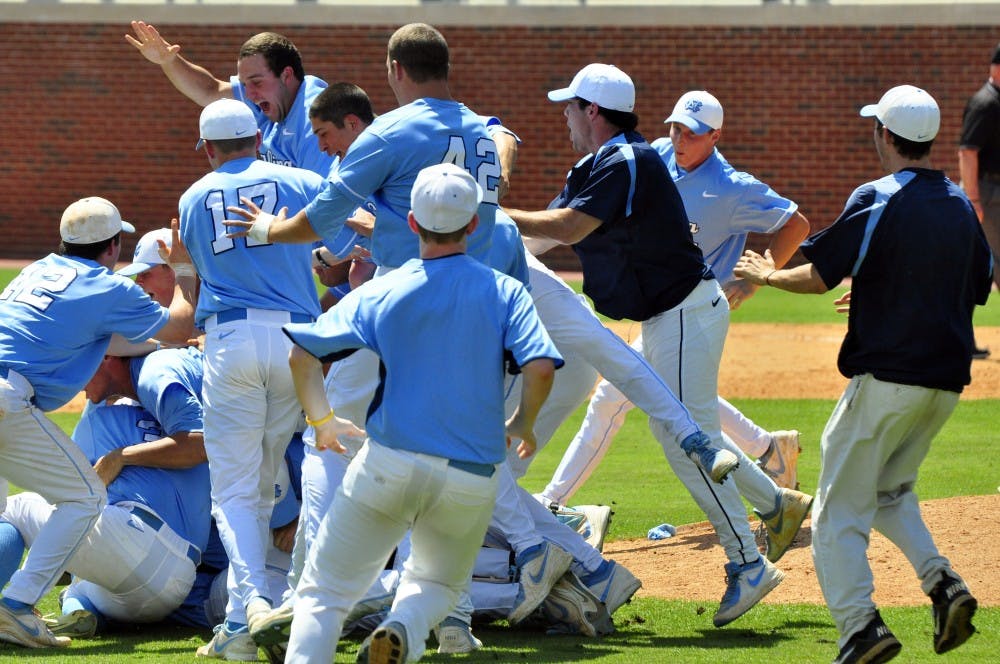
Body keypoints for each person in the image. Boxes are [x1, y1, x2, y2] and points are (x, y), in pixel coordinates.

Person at [505, 63, 795, 629]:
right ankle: (776, 506)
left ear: (593, 110)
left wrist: (484, 215)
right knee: (689, 434)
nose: (564, 115)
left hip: (685, 311)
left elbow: (567, 227)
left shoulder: (626, 159)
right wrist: (480, 233)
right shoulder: (602, 164)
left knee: (686, 441)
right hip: (673, 315)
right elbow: (543, 235)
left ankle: (748, 563)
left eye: (570, 106)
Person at [735, 84, 990, 663]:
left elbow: (821, 272)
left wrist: (769, 276)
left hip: (888, 379)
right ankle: (943, 585)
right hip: (944, 385)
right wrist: (886, 291)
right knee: (889, 492)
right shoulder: (956, 202)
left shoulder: (879, 194)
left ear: (885, 135)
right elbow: (975, 285)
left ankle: (859, 629)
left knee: (834, 515)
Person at [279, 163, 561, 663]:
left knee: (323, 594)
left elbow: (302, 355)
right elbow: (540, 367)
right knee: (437, 584)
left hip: (389, 462)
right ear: (475, 224)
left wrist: (322, 421)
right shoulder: (505, 290)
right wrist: (524, 423)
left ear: (411, 223)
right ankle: (403, 628)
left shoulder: (382, 288)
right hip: (472, 476)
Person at [540, 89, 812, 513]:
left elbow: (795, 222)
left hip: (693, 307)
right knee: (671, 398)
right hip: (660, 306)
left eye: (693, 133)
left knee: (633, 401)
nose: (679, 139)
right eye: (675, 127)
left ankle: (553, 501)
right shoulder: (655, 156)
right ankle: (768, 455)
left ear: (716, 135)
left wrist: (761, 277)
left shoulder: (731, 188)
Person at [177, 97, 358, 660]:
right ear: (257, 137)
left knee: (234, 488)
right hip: (296, 344)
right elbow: (344, 244)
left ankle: (252, 600)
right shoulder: (301, 178)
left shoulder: (191, 196)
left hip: (231, 339)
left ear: (208, 147)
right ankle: (237, 626)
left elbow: (200, 268)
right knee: (262, 478)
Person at [0, 198, 195, 648]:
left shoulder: (37, 269)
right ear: (113, 246)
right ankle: (16, 606)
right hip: (7, 398)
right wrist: (184, 270)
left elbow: (111, 337)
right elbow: (180, 328)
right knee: (86, 495)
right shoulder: (107, 287)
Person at [225, 23, 506, 273]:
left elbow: (323, 218)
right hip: (481, 280)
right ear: (446, 68)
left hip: (413, 282)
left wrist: (266, 227)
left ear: (396, 68)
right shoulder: (481, 130)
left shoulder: (389, 132)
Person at [2, 344, 210, 639]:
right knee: (82, 580)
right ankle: (80, 611)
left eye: (81, 364)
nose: (76, 380)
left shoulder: (100, 417)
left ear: (107, 357)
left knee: (15, 509)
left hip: (144, 544)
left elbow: (197, 444)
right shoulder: (176, 396)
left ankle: (15, 608)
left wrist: (120, 456)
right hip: (167, 585)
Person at [126, 21, 335, 176]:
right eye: (244, 84)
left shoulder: (316, 123)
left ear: (286, 75)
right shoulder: (267, 99)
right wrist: (169, 61)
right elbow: (210, 90)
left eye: (256, 82)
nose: (249, 94)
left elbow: (326, 207)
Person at [958, 42, 1000, 360]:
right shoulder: (985, 103)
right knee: (987, 264)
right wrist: (973, 197)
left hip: (993, 191)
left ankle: (961, 339)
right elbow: (967, 151)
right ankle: (960, 340)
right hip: (986, 191)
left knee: (978, 266)